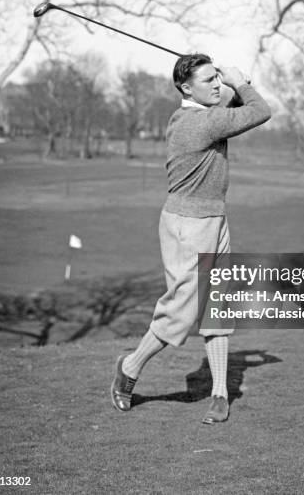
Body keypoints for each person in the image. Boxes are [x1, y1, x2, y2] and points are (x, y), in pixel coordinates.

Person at [111, 53, 271, 424]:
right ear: (186, 88)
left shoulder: (202, 115)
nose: (216, 84)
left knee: (218, 304)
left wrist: (230, 86)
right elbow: (259, 111)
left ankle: (219, 393)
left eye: (217, 77)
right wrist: (239, 83)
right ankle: (130, 367)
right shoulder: (197, 123)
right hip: (187, 224)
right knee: (180, 314)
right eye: (208, 80)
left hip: (214, 218)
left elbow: (228, 112)